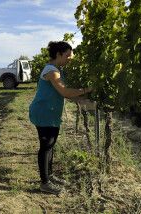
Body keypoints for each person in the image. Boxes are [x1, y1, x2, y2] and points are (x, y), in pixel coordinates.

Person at [29, 41, 92, 195]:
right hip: (44, 112)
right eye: (68, 56)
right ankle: (45, 183)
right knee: (46, 146)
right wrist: (89, 89)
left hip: (50, 113)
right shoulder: (52, 71)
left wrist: (83, 100)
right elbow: (65, 92)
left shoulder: (57, 69)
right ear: (58, 54)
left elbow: (65, 94)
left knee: (50, 145)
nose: (70, 59)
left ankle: (49, 176)